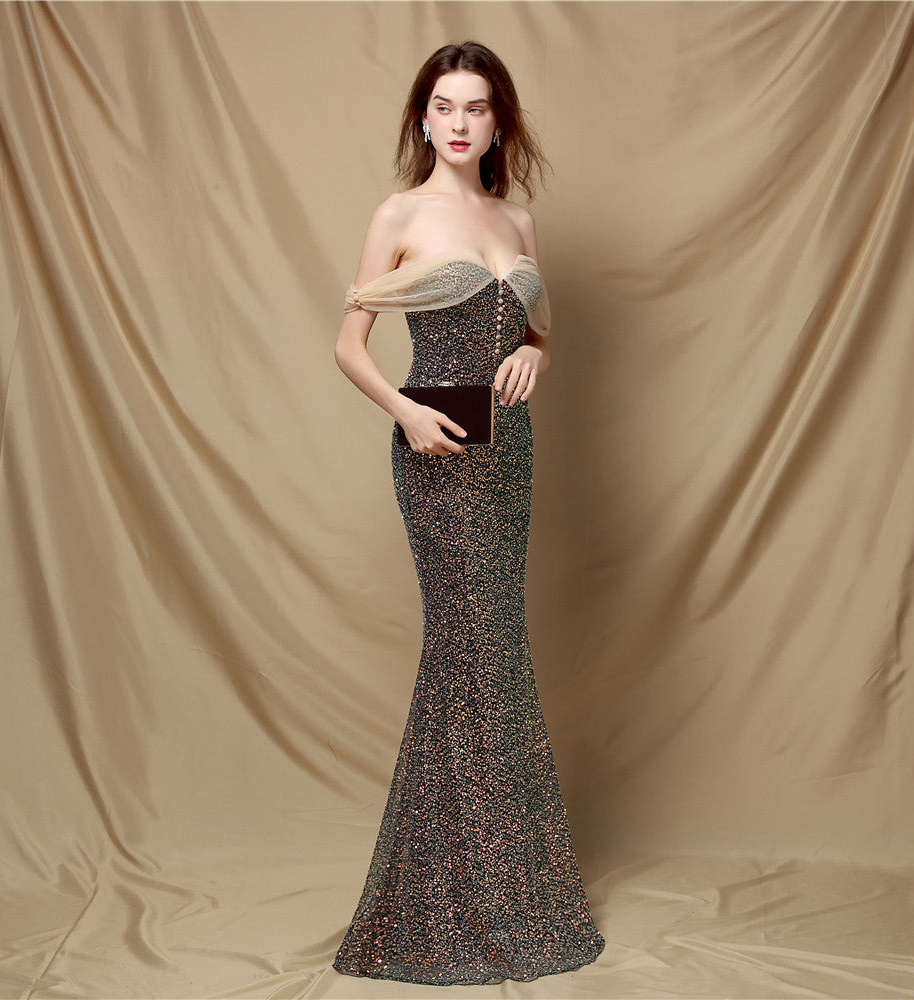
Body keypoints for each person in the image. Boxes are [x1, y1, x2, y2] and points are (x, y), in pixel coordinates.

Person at [332, 40, 605, 986]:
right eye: (444, 106)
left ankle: (490, 887)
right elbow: (349, 344)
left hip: (509, 452)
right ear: (424, 119)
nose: (459, 122)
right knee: (472, 648)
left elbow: (529, 329)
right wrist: (405, 412)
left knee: (491, 654)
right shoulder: (399, 214)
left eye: (476, 107)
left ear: (498, 122)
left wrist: (536, 351)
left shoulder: (516, 218)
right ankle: (454, 901)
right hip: (436, 449)